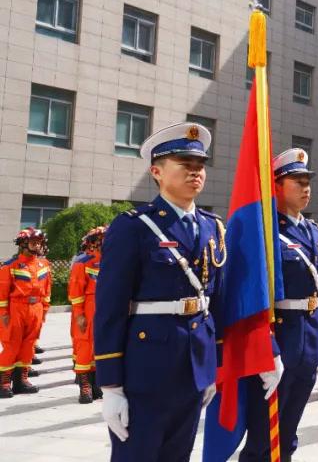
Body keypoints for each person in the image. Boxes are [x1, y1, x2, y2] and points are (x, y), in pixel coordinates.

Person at [94, 122, 242, 461]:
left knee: (179, 455)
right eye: (185, 165)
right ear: (157, 171)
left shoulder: (211, 227)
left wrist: (214, 365)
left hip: (194, 367)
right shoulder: (134, 227)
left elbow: (215, 302)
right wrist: (111, 385)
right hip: (146, 369)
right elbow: (110, 308)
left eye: (200, 166)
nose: (195, 173)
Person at [239, 148, 318, 461]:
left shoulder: (314, 232)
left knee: (289, 432)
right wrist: (265, 348)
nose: (305, 187)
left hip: (309, 336)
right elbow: (251, 293)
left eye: (307, 181)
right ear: (276, 185)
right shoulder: (265, 230)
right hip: (280, 338)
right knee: (264, 434)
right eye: (297, 181)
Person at [0, 227, 51, 398]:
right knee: (12, 345)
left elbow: (47, 290)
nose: (37, 245)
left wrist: (43, 310)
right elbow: (2, 293)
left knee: (29, 346)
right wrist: (4, 314)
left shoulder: (44, 264)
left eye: (39, 242)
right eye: (33, 242)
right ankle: (4, 383)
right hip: (16, 309)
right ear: (23, 244)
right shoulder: (10, 266)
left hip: (35, 309)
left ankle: (21, 381)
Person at [69, 226, 106, 403]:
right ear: (95, 242)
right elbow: (76, 292)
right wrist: (79, 314)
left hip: (108, 308)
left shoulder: (115, 262)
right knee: (85, 346)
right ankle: (84, 386)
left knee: (101, 346)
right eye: (103, 239)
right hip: (89, 307)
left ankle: (96, 383)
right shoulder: (82, 263)